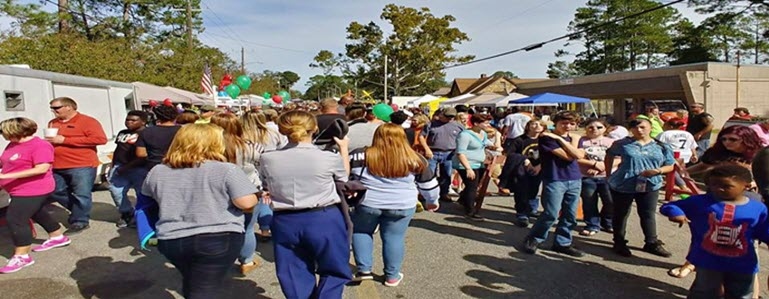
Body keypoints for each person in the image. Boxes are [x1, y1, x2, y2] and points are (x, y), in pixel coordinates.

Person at [141, 124, 258, 298]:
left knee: (193, 280)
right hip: (217, 236)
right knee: (205, 289)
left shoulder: (157, 171)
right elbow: (246, 203)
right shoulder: (226, 169)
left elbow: (148, 200)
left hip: (172, 238)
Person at [258, 111, 352, 299]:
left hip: (285, 220)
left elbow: (265, 184)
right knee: (334, 268)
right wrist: (343, 149)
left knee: (293, 272)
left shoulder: (268, 158)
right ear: (314, 128)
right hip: (323, 217)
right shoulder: (327, 157)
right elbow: (344, 178)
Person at [349, 123, 439, 286]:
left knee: (361, 232)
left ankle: (364, 269)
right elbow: (429, 186)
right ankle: (392, 276)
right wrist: (432, 202)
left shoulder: (360, 155)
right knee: (394, 238)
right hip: (402, 204)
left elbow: (350, 177)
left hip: (368, 202)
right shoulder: (415, 158)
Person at [660, 165, 769, 299]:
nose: (718, 189)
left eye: (726, 186)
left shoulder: (757, 208)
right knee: (704, 292)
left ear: (746, 186)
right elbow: (670, 205)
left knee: (742, 293)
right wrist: (676, 213)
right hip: (708, 261)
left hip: (743, 263)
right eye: (713, 185)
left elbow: (764, 230)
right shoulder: (701, 202)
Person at [0, 118, 70, 274]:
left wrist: (5, 177)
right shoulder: (14, 143)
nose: (3, 135)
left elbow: (41, 168)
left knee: (16, 219)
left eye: (4, 131)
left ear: (16, 131)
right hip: (17, 187)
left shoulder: (40, 145)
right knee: (36, 212)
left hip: (34, 188)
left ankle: (22, 256)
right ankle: (57, 236)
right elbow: (6, 161)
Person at [605, 118, 675, 257]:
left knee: (648, 214)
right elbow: (609, 155)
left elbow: (670, 165)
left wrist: (658, 171)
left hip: (650, 184)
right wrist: (608, 174)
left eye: (643, 127)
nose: (639, 130)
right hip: (624, 183)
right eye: (635, 128)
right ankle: (619, 242)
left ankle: (651, 242)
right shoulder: (622, 144)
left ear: (650, 128)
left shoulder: (661, 146)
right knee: (621, 213)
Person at [522, 111, 586, 257]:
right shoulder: (546, 138)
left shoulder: (565, 138)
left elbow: (579, 155)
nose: (567, 126)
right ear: (555, 123)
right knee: (551, 213)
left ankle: (562, 242)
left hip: (574, 178)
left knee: (570, 214)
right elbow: (570, 157)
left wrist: (561, 139)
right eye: (564, 123)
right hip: (555, 179)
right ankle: (534, 239)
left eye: (571, 123)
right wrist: (566, 141)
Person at [210, 113, 265, 275]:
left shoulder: (208, 148)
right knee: (247, 228)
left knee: (217, 228)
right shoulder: (250, 146)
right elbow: (260, 164)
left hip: (218, 191)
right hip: (248, 190)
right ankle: (246, 261)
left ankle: (218, 260)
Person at [46, 97, 108, 234]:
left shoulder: (88, 121)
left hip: (81, 164)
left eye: (56, 108)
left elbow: (100, 139)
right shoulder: (53, 123)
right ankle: (78, 211)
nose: (53, 111)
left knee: (82, 194)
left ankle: (80, 221)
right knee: (56, 190)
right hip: (57, 164)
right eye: (52, 108)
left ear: (69, 107)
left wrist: (65, 140)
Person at [107, 111, 149, 228]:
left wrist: (127, 167)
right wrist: (113, 165)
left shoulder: (147, 133)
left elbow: (144, 155)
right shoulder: (123, 133)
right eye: (127, 120)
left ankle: (144, 218)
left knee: (142, 194)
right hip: (119, 167)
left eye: (133, 120)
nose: (129, 122)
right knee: (116, 191)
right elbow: (118, 149)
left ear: (143, 122)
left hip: (139, 169)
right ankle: (127, 214)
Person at [500, 120, 545, 227]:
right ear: (528, 127)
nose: (537, 126)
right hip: (521, 170)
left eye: (540, 125)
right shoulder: (520, 140)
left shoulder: (544, 140)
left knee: (534, 189)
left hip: (539, 168)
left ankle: (532, 209)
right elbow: (510, 154)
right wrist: (525, 160)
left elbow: (549, 154)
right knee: (521, 190)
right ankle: (522, 213)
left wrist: (540, 166)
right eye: (534, 124)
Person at [576, 119, 616, 236]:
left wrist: (603, 166)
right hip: (587, 176)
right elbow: (577, 157)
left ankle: (607, 221)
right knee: (589, 201)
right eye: (591, 127)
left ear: (605, 129)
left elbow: (619, 158)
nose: (594, 130)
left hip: (608, 176)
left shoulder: (611, 142)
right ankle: (592, 224)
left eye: (599, 127)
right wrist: (593, 164)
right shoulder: (581, 141)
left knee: (610, 201)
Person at [453, 114, 493, 221]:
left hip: (479, 163)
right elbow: (460, 153)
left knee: (474, 184)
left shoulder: (482, 133)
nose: (488, 124)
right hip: (466, 164)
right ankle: (470, 211)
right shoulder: (465, 135)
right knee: (472, 187)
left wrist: (497, 137)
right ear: (476, 124)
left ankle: (462, 199)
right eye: (485, 122)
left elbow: (488, 143)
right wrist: (468, 168)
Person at [687, 125, 762, 179]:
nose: (727, 142)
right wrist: (683, 173)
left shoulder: (761, 154)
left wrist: (743, 167)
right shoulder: (717, 152)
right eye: (724, 139)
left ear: (747, 140)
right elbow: (703, 166)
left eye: (733, 139)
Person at [425, 108, 465, 202]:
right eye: (447, 116)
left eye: (452, 117)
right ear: (442, 115)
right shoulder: (431, 124)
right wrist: (426, 149)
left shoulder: (458, 126)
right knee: (430, 175)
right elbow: (422, 137)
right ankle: (429, 194)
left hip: (449, 153)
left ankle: (444, 193)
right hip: (433, 152)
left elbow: (463, 139)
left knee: (447, 175)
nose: (449, 119)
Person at [136, 106, 180, 171]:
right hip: (177, 165)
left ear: (157, 116)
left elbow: (140, 154)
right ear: (176, 117)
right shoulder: (183, 131)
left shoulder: (146, 131)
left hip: (153, 166)